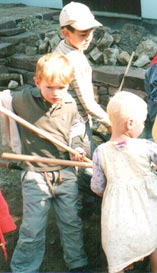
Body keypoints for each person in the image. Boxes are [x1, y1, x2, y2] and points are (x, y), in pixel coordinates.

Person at [10, 53, 89, 272]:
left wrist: (77, 147)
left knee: (71, 224)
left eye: (62, 87)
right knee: (32, 228)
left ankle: (77, 264)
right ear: (37, 82)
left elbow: (76, 126)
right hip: (36, 174)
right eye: (50, 87)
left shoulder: (70, 103)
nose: (56, 93)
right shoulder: (21, 99)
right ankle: (23, 268)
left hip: (66, 174)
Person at [90, 91, 157, 273]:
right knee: (155, 241)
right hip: (146, 208)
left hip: (118, 214)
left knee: (117, 250)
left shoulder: (100, 151)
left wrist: (110, 191)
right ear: (130, 123)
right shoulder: (145, 146)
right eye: (143, 122)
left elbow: (97, 186)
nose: (144, 125)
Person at [54, 1, 111, 216]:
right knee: (87, 165)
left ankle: (81, 204)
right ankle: (85, 209)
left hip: (61, 122)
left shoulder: (62, 49)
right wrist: (111, 123)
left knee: (74, 164)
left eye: (91, 32)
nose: (88, 38)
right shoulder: (74, 59)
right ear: (65, 32)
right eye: (82, 34)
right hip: (76, 123)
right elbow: (88, 104)